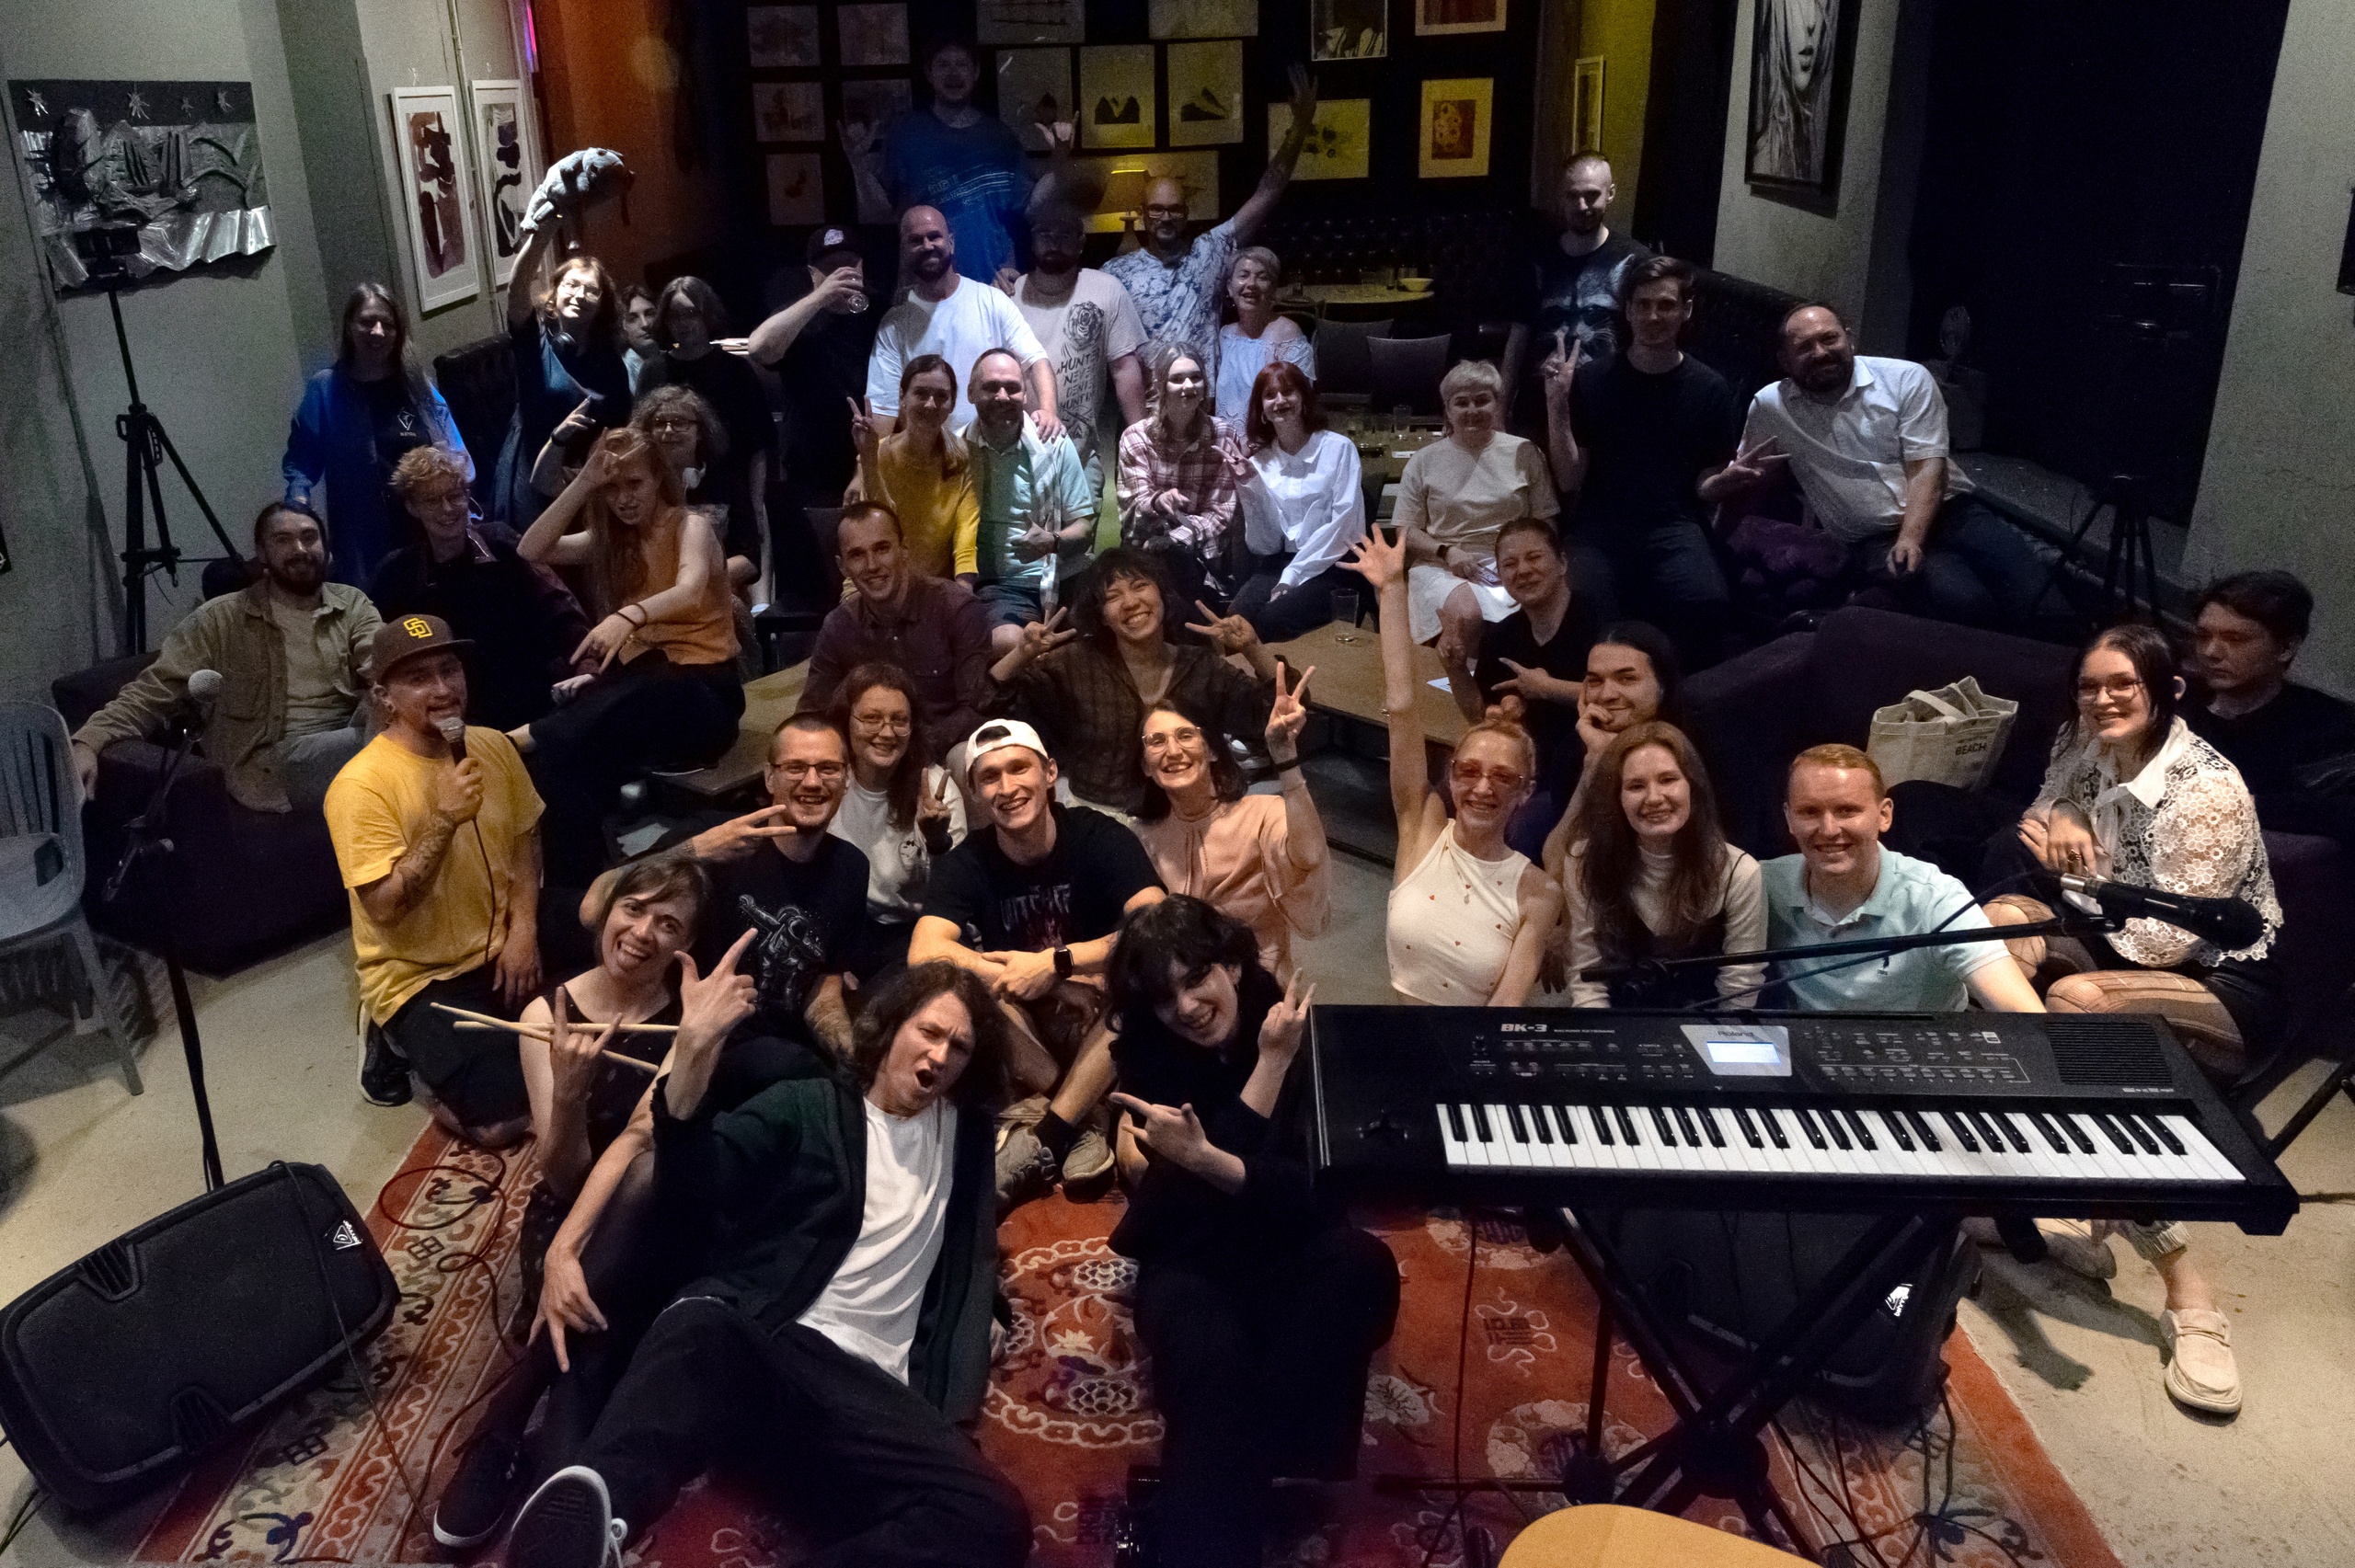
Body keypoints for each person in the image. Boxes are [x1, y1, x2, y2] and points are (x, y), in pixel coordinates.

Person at [502, 963, 1031, 1568]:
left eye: (958, 1046)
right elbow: (697, 1181)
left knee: (994, 1518)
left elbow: (972, 1249)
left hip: (869, 1397)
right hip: (773, 1350)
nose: (939, 1055)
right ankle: (586, 1529)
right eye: (929, 1031)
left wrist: (981, 1322)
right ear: (890, 1027)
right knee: (701, 1321)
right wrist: (691, 1061)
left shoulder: (966, 1136)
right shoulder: (807, 1104)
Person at [1976, 624, 2273, 1418]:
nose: (2102, 699)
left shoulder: (2208, 788)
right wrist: (2068, 813)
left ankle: (2186, 1285)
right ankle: (2033, 1183)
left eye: (2122, 685)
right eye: (2089, 684)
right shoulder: (2081, 739)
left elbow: (2165, 942)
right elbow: (2040, 816)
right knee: (1992, 932)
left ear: (2165, 689)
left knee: (2080, 1006)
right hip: (2106, 931)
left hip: (2217, 979)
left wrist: (2077, 866)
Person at [427, 853, 714, 1553]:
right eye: (633, 908)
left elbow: (643, 1143)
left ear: (686, 947)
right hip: (569, 1207)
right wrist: (571, 1094)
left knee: (642, 1180)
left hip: (656, 1217)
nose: (642, 932)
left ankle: (505, 1422)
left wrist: (566, 1255)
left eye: (668, 923)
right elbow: (562, 1177)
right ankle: (561, 1491)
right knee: (602, 1334)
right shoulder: (545, 1013)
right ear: (607, 910)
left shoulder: (691, 1023)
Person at [1103, 898, 1397, 1568]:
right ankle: (1221, 1522)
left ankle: (1239, 1475)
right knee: (1210, 1360)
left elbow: (1318, 1192)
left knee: (1363, 1266)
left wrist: (1211, 1155)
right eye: (1163, 996)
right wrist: (1262, 1079)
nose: (1185, 1006)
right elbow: (1175, 1213)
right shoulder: (1148, 1053)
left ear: (1232, 964)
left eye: (1196, 977)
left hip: (1289, 1244)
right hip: (1192, 1258)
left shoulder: (1297, 1031)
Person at [911, 719, 1166, 1207]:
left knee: (1141, 982)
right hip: (1029, 1029)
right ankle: (1084, 1117)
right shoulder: (970, 860)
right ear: (975, 794)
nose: (1007, 787)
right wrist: (1047, 980)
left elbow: (1156, 922)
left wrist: (1058, 963)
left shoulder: (1097, 835)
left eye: (1018, 768)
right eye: (989, 777)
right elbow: (924, 951)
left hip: (1104, 1024)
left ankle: (1049, 1133)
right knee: (954, 986)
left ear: (1049, 773)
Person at [325, 615, 544, 1142]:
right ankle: (394, 1042)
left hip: (501, 940)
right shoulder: (359, 787)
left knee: (616, 942)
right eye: (419, 678)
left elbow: (526, 840)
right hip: (421, 975)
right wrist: (444, 818)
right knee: (502, 1121)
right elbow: (385, 907)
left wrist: (524, 931)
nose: (444, 689)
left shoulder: (493, 745)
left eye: (450, 670)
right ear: (385, 698)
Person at [1715, 303, 2042, 628]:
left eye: (1829, 339)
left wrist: (1911, 537)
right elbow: (1748, 475)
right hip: (1873, 538)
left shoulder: (1906, 378)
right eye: (1804, 347)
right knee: (1967, 603)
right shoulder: (1770, 406)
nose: (1821, 352)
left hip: (1954, 511)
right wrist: (1717, 543)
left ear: (1850, 339)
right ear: (1784, 360)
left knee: (2039, 597)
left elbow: (1927, 466)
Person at [1344, 526, 1562, 1006]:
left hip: (1472, 1048)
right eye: (1469, 771)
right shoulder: (1421, 830)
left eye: (1502, 777)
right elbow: (1402, 708)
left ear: (1525, 791)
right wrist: (1392, 591)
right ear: (1451, 773)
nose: (1482, 787)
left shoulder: (1539, 892)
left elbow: (1505, 1008)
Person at [515, 429, 743, 885]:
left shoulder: (690, 526)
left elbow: (689, 588)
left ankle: (518, 739)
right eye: (613, 488)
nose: (623, 498)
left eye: (634, 483)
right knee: (561, 758)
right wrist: (585, 482)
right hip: (645, 692)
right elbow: (530, 549)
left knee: (654, 685)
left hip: (706, 696)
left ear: (658, 477)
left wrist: (627, 617)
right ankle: (578, 886)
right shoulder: (612, 540)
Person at [73, 502, 381, 814]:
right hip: (275, 767)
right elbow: (152, 691)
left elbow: (381, 660)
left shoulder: (351, 604)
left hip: (350, 735)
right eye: (283, 540)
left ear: (325, 547)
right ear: (262, 553)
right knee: (394, 745)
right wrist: (89, 741)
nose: (300, 549)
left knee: (394, 721)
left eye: (309, 537)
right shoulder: (219, 619)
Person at [644, 713, 873, 1088]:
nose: (812, 782)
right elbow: (597, 902)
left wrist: (854, 1061)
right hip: (703, 1043)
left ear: (846, 779)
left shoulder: (851, 867)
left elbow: (824, 989)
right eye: (795, 767)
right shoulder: (718, 838)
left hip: (787, 1051)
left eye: (828, 768)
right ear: (770, 778)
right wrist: (694, 850)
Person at [1547, 255, 1740, 669]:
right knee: (1585, 601)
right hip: (1600, 523)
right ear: (1628, 310)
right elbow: (1569, 478)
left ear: (1686, 310)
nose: (1653, 316)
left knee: (1706, 601)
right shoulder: (1594, 379)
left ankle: (1670, 694)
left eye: (1666, 305)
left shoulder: (1711, 388)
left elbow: (1705, 487)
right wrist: (1557, 408)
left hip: (1673, 523)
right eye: (1643, 305)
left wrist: (1731, 480)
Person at [987, 547, 1276, 815]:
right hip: (1098, 817)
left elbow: (1277, 718)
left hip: (1189, 814)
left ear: (1162, 594)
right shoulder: (1075, 662)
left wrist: (1253, 648)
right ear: (1101, 616)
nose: (1130, 602)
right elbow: (987, 702)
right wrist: (1021, 653)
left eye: (1140, 586)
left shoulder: (1200, 666)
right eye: (1113, 597)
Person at [1103, 67, 1320, 376]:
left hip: (1205, 396)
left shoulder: (1210, 251)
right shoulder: (1117, 272)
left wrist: (1299, 126)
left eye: (1175, 210)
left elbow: (1268, 192)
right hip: (1150, 401)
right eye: (1157, 209)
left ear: (1186, 213)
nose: (1166, 218)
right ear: (1142, 213)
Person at [370, 448, 591, 732]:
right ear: (412, 507)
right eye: (432, 500)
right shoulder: (397, 572)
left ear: (467, 496)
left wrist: (587, 667)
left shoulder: (501, 543)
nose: (447, 509)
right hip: (449, 711)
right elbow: (384, 651)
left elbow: (561, 610)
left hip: (533, 699)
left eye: (454, 495)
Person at [1132, 668, 1330, 979]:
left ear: (1212, 750)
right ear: (1145, 766)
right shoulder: (1142, 837)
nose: (1173, 751)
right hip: (1181, 994)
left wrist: (1285, 759)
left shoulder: (1262, 815)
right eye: (1157, 741)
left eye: (1186, 735)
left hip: (1259, 986)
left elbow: (1309, 857)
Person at [1561, 723, 1763, 1008]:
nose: (1654, 798)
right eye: (1636, 786)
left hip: (1708, 1025)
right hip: (1618, 1024)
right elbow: (1587, 979)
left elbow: (1740, 988)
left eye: (1668, 780)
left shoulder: (1740, 872)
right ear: (1617, 798)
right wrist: (1602, 1034)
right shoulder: (1583, 861)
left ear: (1692, 786)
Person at [282, 281, 472, 585]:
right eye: (367, 322)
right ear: (349, 327)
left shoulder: (416, 384)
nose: (378, 332)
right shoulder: (325, 389)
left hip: (427, 532)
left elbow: (456, 454)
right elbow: (303, 463)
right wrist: (297, 509)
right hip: (364, 542)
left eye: (388, 324)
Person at [1394, 359, 1560, 670]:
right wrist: (1447, 552)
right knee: (1467, 614)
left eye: (1482, 400)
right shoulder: (1423, 460)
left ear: (1497, 404)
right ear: (1447, 410)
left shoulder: (1525, 452)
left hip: (1511, 561)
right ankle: (1465, 686)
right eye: (1461, 402)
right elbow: (1405, 531)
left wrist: (1525, 559)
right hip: (1445, 564)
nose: (1472, 410)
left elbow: (1545, 520)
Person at [804, 502, 995, 763]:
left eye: (882, 549)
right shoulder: (839, 626)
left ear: (904, 551)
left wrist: (906, 750)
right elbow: (813, 713)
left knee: (968, 758)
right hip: (870, 758)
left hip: (942, 754)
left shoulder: (957, 609)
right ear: (843, 566)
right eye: (857, 555)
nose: (872, 565)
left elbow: (976, 709)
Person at [747, 228, 880, 589]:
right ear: (812, 273)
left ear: (862, 266)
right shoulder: (799, 316)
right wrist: (819, 298)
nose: (842, 273)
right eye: (830, 267)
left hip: (871, 464)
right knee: (814, 582)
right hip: (810, 472)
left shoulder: (880, 311)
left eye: (849, 263)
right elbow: (759, 348)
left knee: (871, 572)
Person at [2184, 569, 2355, 846]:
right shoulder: (2175, 702)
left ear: (2285, 648)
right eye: (2203, 636)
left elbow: (2344, 811)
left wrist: (2243, 804)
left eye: (2235, 639)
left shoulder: (2323, 724)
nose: (2211, 652)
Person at [848, 37, 1037, 287]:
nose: (953, 73)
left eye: (962, 64)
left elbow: (1021, 211)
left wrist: (1010, 267)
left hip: (993, 283)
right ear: (929, 73)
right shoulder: (907, 134)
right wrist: (857, 166)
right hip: (925, 284)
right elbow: (879, 213)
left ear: (976, 72)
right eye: (943, 64)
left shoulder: (1000, 137)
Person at [1459, 521, 1597, 858]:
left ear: (1561, 563)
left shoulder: (1599, 624)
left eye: (1534, 558)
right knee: (1448, 797)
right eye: (1510, 564)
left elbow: (1619, 701)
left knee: (1521, 829)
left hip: (1577, 774)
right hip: (1517, 769)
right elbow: (1479, 713)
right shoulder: (1502, 635)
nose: (1522, 570)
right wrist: (1455, 667)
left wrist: (1548, 688)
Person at [865, 207, 1056, 438]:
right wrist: (875, 456)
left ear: (951, 243)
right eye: (915, 240)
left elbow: (1035, 360)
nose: (927, 246)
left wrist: (1048, 413)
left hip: (991, 448)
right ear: (904, 250)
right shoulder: (894, 323)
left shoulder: (992, 300)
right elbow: (883, 406)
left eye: (934, 236)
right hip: (928, 453)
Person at [827, 665, 968, 976]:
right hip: (849, 928)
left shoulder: (935, 790)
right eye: (871, 718)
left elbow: (956, 897)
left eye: (899, 720)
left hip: (921, 929)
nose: (887, 732)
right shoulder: (829, 781)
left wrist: (937, 841)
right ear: (845, 721)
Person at [637, 278, 773, 590]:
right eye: (675, 315)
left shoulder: (735, 370)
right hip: (667, 493)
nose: (683, 323)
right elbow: (642, 441)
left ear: (707, 315)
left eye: (691, 313)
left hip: (728, 491)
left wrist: (755, 503)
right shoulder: (653, 371)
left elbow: (758, 444)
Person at [962, 349, 1099, 647]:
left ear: (1025, 395)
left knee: (1106, 637)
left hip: (1063, 578)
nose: (1002, 396)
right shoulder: (958, 449)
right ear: (971, 393)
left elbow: (1084, 529)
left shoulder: (1053, 443)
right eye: (991, 387)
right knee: (1010, 642)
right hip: (1001, 587)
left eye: (1012, 388)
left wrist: (1052, 541)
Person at [1503, 151, 1650, 427]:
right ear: (1561, 197)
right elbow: (1518, 335)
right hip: (1537, 405)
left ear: (1610, 194)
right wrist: (1502, 407)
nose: (1582, 206)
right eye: (1572, 196)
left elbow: (1646, 340)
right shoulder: (1538, 257)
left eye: (1592, 195)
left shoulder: (1635, 261)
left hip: (1604, 405)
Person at [498, 226, 630, 530]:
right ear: (555, 291)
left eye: (591, 290)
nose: (579, 295)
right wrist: (541, 235)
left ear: (602, 304)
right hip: (533, 471)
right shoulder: (534, 343)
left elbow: (621, 424)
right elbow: (517, 291)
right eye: (571, 285)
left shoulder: (609, 361)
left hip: (588, 478)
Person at [1536, 620, 1685, 879]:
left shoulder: (1694, 748)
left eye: (1627, 679)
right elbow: (1557, 869)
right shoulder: (1574, 752)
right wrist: (1596, 760)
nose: (1607, 695)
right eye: (1595, 681)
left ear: (1662, 685)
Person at [1230, 361, 1366, 643]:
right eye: (1270, 395)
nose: (1280, 401)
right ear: (1262, 410)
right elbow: (1266, 545)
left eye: (1288, 391)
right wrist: (1249, 486)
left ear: (1303, 398)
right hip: (1281, 561)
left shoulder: (1339, 449)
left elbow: (1344, 527)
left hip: (1334, 561)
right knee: (1236, 620)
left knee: (1273, 619)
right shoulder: (1259, 463)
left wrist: (1292, 575)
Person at [1014, 202, 1148, 483]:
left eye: (1064, 235)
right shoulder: (1008, 295)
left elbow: (1125, 369)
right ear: (1032, 241)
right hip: (1019, 456)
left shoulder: (1106, 288)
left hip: (1082, 457)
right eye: (1045, 234)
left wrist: (1142, 440)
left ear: (1081, 242)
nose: (1054, 243)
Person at [1117, 342, 1250, 609]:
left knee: (1178, 570)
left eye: (1195, 377)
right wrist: (1159, 502)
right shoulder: (1136, 438)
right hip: (1146, 553)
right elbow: (1135, 509)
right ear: (1161, 386)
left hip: (1203, 558)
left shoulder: (1223, 436)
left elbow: (1221, 514)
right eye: (1177, 379)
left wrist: (1178, 538)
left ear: (1205, 385)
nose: (1188, 386)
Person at [850, 355, 979, 579]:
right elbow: (881, 532)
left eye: (941, 396)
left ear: (952, 404)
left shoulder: (961, 457)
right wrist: (869, 460)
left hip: (934, 587)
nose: (931, 404)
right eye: (921, 393)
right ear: (902, 397)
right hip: (878, 582)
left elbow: (966, 535)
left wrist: (964, 589)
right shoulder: (877, 454)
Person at [631, 384, 762, 597]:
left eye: (679, 422)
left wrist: (693, 584)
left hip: (717, 596)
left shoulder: (727, 481)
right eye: (659, 423)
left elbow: (750, 560)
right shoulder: (638, 484)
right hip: (650, 596)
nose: (668, 431)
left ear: (700, 431)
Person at [1212, 247, 1314, 423]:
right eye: (1243, 275)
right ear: (1229, 287)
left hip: (1273, 437)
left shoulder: (1287, 333)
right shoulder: (1225, 335)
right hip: (1226, 437)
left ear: (1273, 289)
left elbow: (1296, 405)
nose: (1251, 284)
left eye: (1262, 277)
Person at [617, 283, 661, 395]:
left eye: (650, 314)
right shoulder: (623, 371)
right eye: (632, 319)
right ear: (622, 327)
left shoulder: (671, 357)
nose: (645, 324)